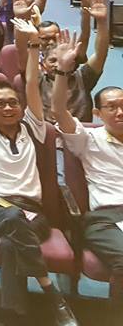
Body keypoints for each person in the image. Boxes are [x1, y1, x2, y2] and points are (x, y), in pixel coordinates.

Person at [0, 18, 78, 325]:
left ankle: (12, 313)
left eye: (12, 103)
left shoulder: (33, 128)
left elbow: (30, 84)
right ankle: (52, 293)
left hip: (34, 213)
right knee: (12, 218)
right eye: (0, 104)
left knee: (8, 243)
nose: (8, 108)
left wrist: (33, 44)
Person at [52, 49, 123, 304]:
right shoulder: (88, 139)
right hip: (106, 218)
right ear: (97, 113)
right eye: (112, 107)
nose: (120, 112)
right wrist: (62, 71)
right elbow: (59, 111)